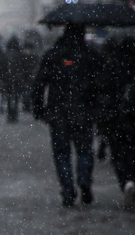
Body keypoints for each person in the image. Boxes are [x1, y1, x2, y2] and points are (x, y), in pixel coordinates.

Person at [32, 24, 102, 206]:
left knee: (62, 154)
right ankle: (84, 177)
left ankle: (68, 190)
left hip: (59, 113)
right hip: (83, 112)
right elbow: (101, 85)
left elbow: (39, 84)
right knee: (84, 151)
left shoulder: (53, 55)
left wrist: (39, 109)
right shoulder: (91, 56)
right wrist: (98, 108)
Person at [97, 36, 135, 210]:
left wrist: (103, 122)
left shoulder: (112, 66)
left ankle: (126, 182)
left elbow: (102, 94)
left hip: (117, 120)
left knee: (120, 156)